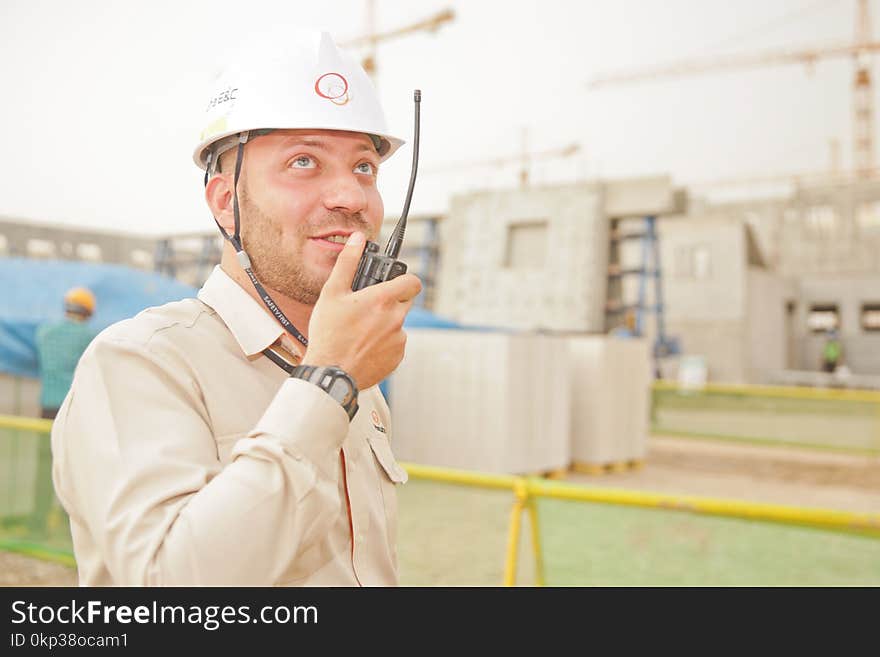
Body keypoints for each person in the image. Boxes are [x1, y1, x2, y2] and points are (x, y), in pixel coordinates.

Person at [50, 31, 422, 586]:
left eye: (365, 167)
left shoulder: (359, 383)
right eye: (304, 161)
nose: (350, 195)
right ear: (226, 202)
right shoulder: (140, 363)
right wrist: (327, 386)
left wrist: (337, 377)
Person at [35, 287, 97, 420]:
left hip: (47, 403)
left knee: (46, 440)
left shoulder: (44, 332)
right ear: (88, 312)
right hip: (73, 404)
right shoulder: (89, 336)